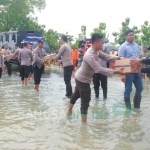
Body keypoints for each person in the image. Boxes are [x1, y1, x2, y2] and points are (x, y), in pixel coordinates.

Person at [67, 34, 124, 123]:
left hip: (79, 76)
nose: (103, 45)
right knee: (85, 100)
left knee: (76, 94)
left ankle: (69, 111)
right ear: (96, 43)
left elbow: (106, 57)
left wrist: (118, 58)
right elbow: (99, 69)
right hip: (83, 79)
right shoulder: (89, 55)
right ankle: (83, 124)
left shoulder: (96, 51)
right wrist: (117, 71)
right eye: (102, 43)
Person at [118, 29, 143, 110]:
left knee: (140, 88)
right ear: (126, 36)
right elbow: (120, 61)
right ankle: (128, 109)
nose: (132, 36)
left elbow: (139, 59)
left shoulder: (136, 46)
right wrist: (122, 74)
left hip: (137, 71)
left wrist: (141, 70)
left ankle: (137, 107)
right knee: (128, 89)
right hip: (128, 72)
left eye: (133, 35)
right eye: (130, 35)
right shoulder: (123, 47)